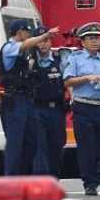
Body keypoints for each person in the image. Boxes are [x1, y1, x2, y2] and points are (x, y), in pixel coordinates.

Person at [0, 19, 58, 175]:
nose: (29, 35)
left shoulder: (25, 53)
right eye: (27, 32)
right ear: (19, 32)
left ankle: (24, 176)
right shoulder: (9, 48)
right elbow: (25, 44)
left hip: (27, 100)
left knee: (32, 141)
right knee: (15, 143)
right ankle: (11, 181)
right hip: (15, 101)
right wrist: (45, 35)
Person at [63, 22, 100, 196]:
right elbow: (68, 81)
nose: (94, 41)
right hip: (83, 107)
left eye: (97, 38)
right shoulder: (75, 58)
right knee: (87, 148)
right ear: (83, 42)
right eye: (90, 38)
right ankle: (90, 183)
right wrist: (87, 78)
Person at [29, 32, 67, 177]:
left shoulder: (60, 61)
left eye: (46, 40)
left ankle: (54, 177)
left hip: (56, 110)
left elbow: (68, 81)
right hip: (37, 109)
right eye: (40, 41)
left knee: (56, 145)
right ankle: (41, 179)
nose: (43, 44)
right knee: (39, 146)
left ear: (51, 42)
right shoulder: (30, 62)